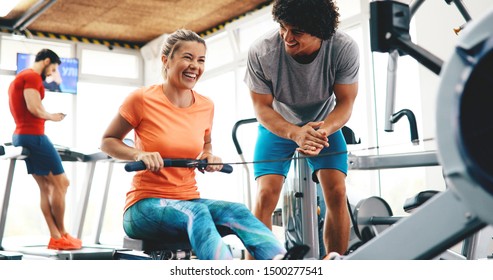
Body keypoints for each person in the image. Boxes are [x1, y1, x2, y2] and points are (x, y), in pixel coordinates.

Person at [100, 29, 308, 260]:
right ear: (166, 60)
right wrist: (139, 154)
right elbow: (108, 141)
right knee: (196, 212)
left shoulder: (206, 106)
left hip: (188, 199)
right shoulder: (141, 99)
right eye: (187, 58)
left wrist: (209, 156)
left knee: (237, 210)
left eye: (201, 60)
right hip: (144, 206)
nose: (194, 66)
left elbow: (206, 145)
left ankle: (281, 261)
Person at [244, 0, 359, 258]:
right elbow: (261, 108)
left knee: (337, 192)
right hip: (276, 124)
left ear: (320, 31)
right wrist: (295, 133)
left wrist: (321, 131)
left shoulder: (343, 47)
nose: (287, 36)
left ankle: (334, 263)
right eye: (282, 27)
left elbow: (346, 102)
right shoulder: (262, 51)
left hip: (323, 124)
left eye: (296, 31)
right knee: (265, 195)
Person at [8, 48, 82, 250]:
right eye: (53, 68)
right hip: (34, 136)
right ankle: (63, 233)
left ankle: (56, 236)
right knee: (62, 183)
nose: (51, 73)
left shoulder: (23, 77)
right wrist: (53, 116)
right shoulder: (31, 76)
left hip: (22, 135)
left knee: (46, 187)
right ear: (47, 60)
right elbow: (34, 108)